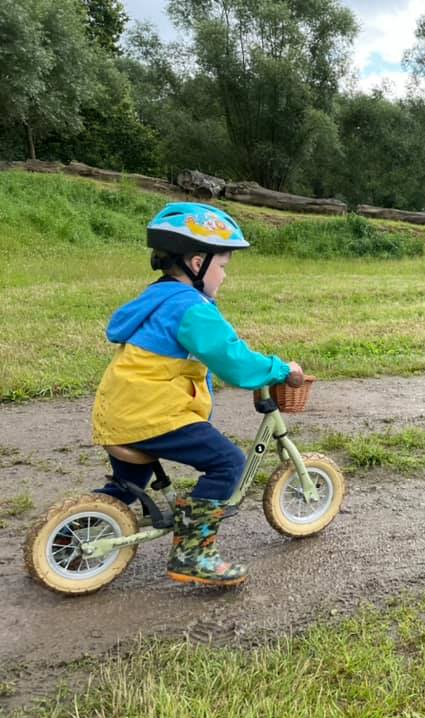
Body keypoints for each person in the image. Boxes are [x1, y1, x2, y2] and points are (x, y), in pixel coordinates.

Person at [91, 202, 304, 586]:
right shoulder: (190, 309)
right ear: (196, 262)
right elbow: (234, 362)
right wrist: (280, 369)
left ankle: (88, 521)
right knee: (226, 462)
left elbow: (217, 350)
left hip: (120, 411)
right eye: (222, 266)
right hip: (151, 415)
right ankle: (193, 554)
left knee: (129, 485)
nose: (223, 276)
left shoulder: (160, 297)